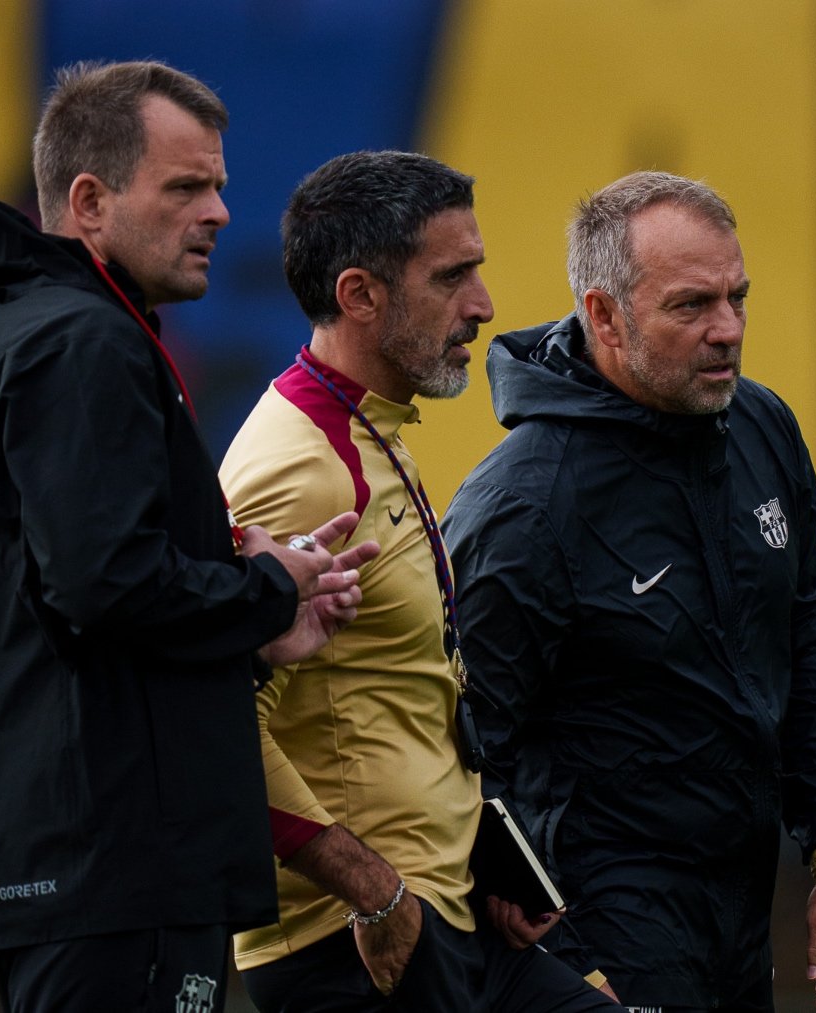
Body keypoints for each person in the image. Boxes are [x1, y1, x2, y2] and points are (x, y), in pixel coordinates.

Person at [0, 60, 375, 1012]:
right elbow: (105, 582)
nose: (221, 212)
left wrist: (257, 630)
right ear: (89, 201)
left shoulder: (38, 333)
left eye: (220, 184)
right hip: (111, 874)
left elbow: (78, 618)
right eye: (187, 186)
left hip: (76, 873)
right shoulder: (82, 342)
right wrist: (265, 588)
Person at [441, 171, 816, 1012]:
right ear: (603, 314)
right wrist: (560, 959)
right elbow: (463, 753)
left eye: (737, 297)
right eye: (691, 306)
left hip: (741, 911)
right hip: (603, 926)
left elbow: (804, 639)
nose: (728, 330)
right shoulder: (525, 507)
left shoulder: (763, 426)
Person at [217, 150, 616, 1013]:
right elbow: (209, 718)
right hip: (359, 942)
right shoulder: (298, 467)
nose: (484, 305)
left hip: (448, 911)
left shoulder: (367, 422)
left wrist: (481, 859)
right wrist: (375, 889)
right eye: (453, 277)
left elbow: (398, 695)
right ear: (360, 295)